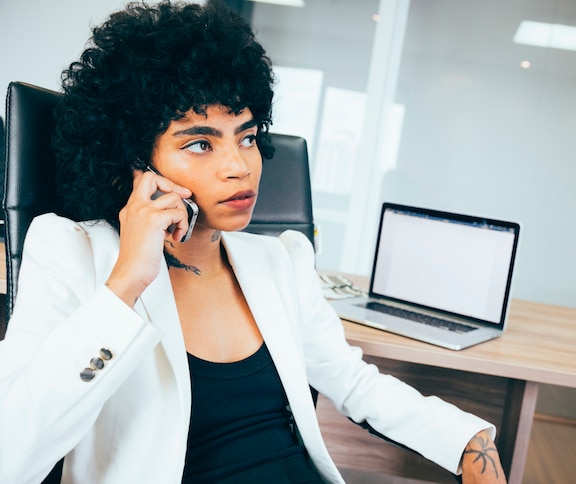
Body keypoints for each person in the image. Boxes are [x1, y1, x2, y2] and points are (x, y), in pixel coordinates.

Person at [0, 1, 506, 483]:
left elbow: (355, 383)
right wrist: (126, 285)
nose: (239, 165)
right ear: (131, 160)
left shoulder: (280, 260)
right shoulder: (72, 253)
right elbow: (10, 456)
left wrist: (468, 438)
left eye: (246, 136)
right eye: (200, 143)